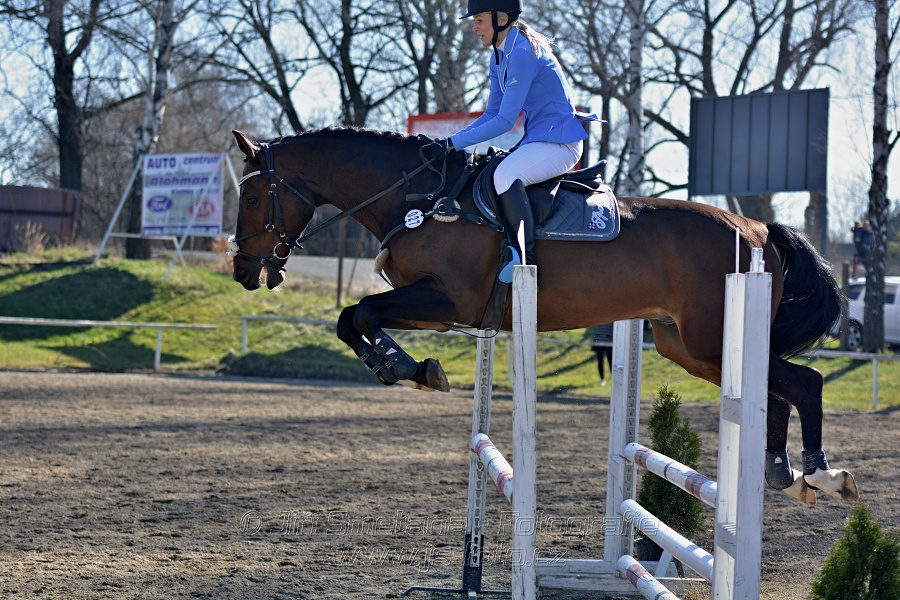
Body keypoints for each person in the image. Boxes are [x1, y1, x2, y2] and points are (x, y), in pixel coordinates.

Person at [428, 0, 599, 268]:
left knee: (505, 174)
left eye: (479, 20)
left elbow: (506, 121)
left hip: (562, 144)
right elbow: (491, 114)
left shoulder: (521, 53)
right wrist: (450, 142)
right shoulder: (498, 56)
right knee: (489, 171)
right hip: (539, 141)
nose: (474, 28)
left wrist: (453, 143)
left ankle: (523, 259)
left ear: (502, 20)